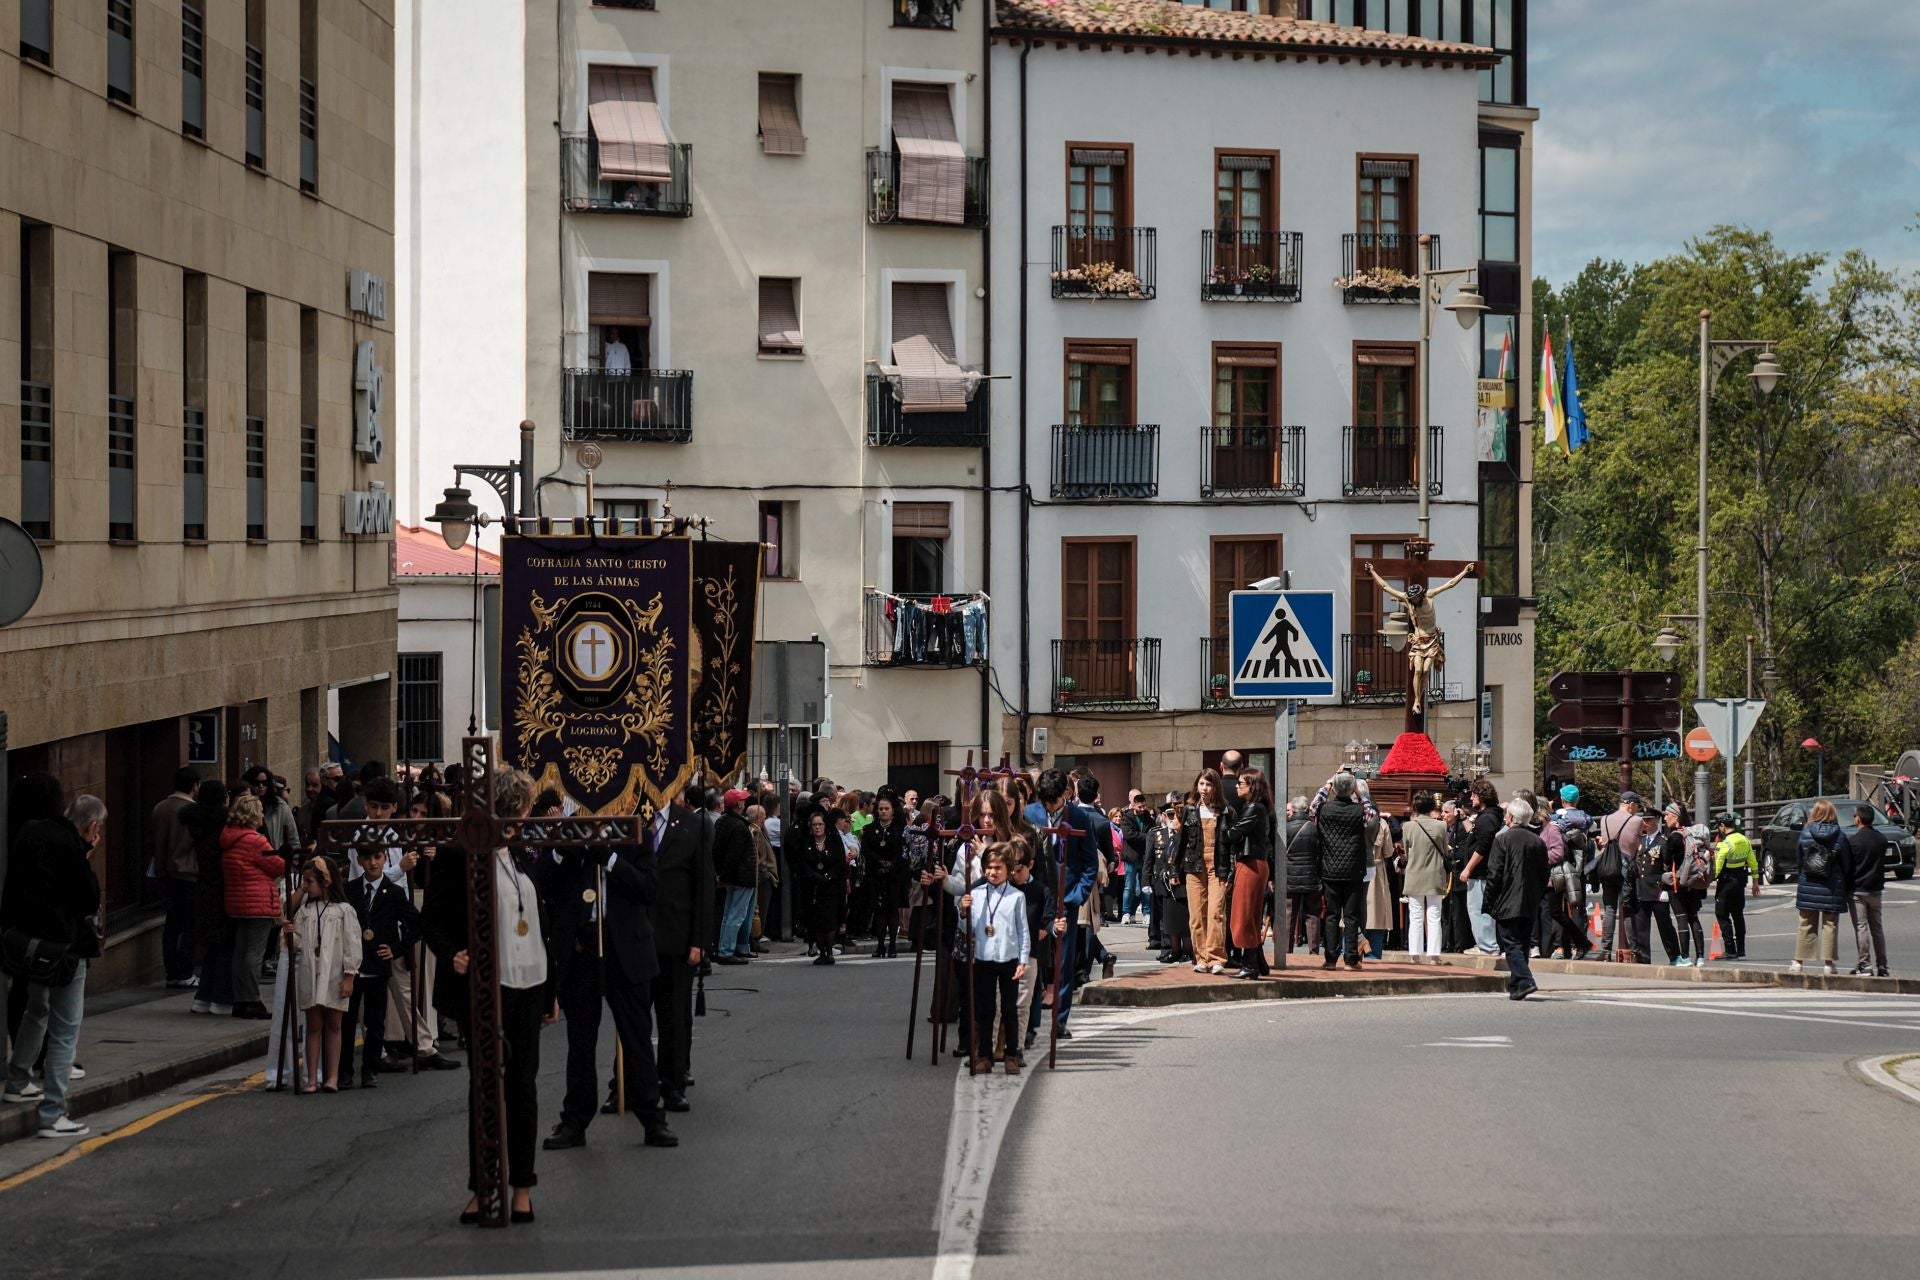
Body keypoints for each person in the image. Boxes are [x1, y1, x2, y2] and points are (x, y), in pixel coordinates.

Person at [421, 767, 552, 1224]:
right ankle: (482, 1187)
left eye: (523, 813)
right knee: (485, 1088)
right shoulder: (461, 853)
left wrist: (553, 989)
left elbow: (543, 920)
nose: (522, 820)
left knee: (523, 1088)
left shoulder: (529, 852)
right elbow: (432, 919)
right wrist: (452, 952)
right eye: (516, 812)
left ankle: (522, 1188)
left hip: (530, 981)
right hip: (484, 983)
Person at [543, 798, 674, 1152]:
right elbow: (546, 883)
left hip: (625, 951)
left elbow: (648, 889)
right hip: (582, 951)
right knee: (581, 1042)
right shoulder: (572, 835)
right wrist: (562, 848)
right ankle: (574, 1120)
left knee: (636, 1038)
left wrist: (610, 859)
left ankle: (651, 1117)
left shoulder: (637, 836)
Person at [2, 791, 105, 1139]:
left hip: (27, 944)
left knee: (36, 1008)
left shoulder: (31, 833)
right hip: (64, 948)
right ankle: (52, 1113)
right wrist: (88, 854)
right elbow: (89, 899)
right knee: (64, 1030)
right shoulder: (74, 850)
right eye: (97, 829)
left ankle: (17, 1079)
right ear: (91, 826)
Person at [648, 794, 713, 1114]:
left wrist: (699, 941)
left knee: (673, 1017)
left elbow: (704, 886)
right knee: (632, 1020)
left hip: (677, 938)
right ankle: (627, 1082)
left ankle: (672, 1083)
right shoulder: (631, 818)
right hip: (636, 938)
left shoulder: (690, 825)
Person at [1022, 769, 1098, 1040]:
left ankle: (1060, 1020)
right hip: (1037, 897)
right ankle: (1029, 1024)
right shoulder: (1030, 813)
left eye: (1051, 801)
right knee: (1032, 960)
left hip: (1066, 897)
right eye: (1043, 800)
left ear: (1065, 795)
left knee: (1063, 963)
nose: (1047, 806)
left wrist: (1078, 894)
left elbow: (1091, 861)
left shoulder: (1079, 817)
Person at [338, 845, 419, 1089]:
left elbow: (415, 923)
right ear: (359, 860)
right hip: (352, 963)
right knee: (347, 1020)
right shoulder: (349, 890)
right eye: (367, 858)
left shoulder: (393, 891)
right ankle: (344, 1071)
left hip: (378, 963)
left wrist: (396, 948)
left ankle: (370, 1070)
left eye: (377, 857)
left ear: (385, 859)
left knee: (376, 1021)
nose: (373, 863)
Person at [289, 856, 360, 1093]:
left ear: (326, 881)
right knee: (313, 1024)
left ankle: (331, 1076)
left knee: (334, 1023)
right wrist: (289, 934)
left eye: (309, 882)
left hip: (334, 974)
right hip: (312, 973)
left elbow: (352, 944)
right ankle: (311, 1078)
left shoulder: (343, 911)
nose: (306, 886)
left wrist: (349, 975)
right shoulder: (306, 911)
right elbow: (296, 942)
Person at [959, 845, 1031, 1075]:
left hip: (1008, 958)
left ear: (1008, 869)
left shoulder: (1016, 896)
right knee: (986, 1009)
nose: (993, 872)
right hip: (983, 958)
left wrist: (1023, 960)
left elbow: (1023, 931)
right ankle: (985, 1056)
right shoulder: (976, 895)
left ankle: (1011, 1054)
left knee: (1010, 1008)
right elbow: (967, 927)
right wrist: (963, 910)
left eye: (998, 868)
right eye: (989, 867)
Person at [220, 793, 285, 1020]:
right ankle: (252, 1000)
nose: (262, 817)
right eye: (259, 813)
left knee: (241, 952)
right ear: (252, 816)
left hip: (238, 900)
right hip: (258, 901)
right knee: (254, 954)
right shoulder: (255, 840)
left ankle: (240, 999)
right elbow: (278, 866)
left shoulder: (229, 838)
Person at [1486, 797, 1549, 999]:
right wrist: (1537, 894)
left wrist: (1489, 898)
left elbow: (1494, 873)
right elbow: (1544, 873)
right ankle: (1517, 985)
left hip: (1507, 898)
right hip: (1530, 899)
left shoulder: (1502, 839)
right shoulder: (1537, 841)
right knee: (1522, 943)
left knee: (1511, 943)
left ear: (1511, 817)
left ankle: (1525, 979)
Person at [1172, 769, 1232, 975]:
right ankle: (1201, 957)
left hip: (1218, 865)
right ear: (1196, 786)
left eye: (1208, 784)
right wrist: (1173, 868)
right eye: (1201, 784)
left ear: (1216, 787)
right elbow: (1180, 842)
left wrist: (1231, 871)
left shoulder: (1225, 811)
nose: (1204, 789)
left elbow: (1232, 844)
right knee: (1197, 915)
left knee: (1216, 912)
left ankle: (1216, 958)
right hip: (1193, 864)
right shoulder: (1189, 810)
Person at [185, 779, 234, 1015]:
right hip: (223, 888)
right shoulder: (225, 824)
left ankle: (203, 996)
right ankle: (221, 998)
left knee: (212, 946)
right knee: (225, 944)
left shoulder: (191, 821)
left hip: (201, 886)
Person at [150, 768, 201, 989]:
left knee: (172, 924)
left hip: (166, 873)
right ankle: (185, 971)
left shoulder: (160, 808)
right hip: (188, 873)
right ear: (195, 786)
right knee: (188, 925)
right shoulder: (192, 811)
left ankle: (171, 972)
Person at [1791, 799, 1853, 976]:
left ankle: (1798, 962)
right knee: (1830, 925)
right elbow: (1846, 863)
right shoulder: (1839, 835)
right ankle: (1828, 964)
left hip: (1808, 883)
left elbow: (1799, 859)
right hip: (1831, 886)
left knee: (1805, 924)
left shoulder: (1805, 833)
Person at [1226, 768, 1275, 979]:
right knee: (1251, 916)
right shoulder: (1259, 807)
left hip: (1250, 866)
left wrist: (1224, 822)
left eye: (1241, 783)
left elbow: (1232, 834)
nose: (1237, 786)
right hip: (1256, 864)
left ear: (1252, 786)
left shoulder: (1254, 808)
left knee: (1243, 916)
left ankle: (1250, 964)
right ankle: (1258, 962)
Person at [1317, 774, 1369, 970]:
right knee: (1351, 916)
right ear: (1352, 790)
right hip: (1353, 870)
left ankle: (1330, 959)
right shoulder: (1358, 810)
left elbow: (1313, 805)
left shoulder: (1324, 809)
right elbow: (1371, 813)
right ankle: (1351, 959)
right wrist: (1359, 793)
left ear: (1335, 790)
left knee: (1331, 915)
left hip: (1329, 868)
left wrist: (1328, 783)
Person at [1591, 791, 1643, 960]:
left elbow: (1602, 844)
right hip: (1625, 869)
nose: (1636, 810)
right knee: (1627, 909)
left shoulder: (1604, 819)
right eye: (1636, 806)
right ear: (1631, 804)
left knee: (1609, 909)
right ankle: (1634, 951)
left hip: (1607, 867)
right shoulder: (1636, 821)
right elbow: (1636, 846)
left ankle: (1605, 951)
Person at [1400, 792, 1449, 961]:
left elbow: (1406, 852)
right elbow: (1445, 850)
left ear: (1415, 807)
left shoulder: (1408, 827)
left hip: (1414, 874)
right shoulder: (1441, 826)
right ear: (1431, 807)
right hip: (1435, 874)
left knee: (1415, 915)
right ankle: (1434, 955)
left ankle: (1415, 954)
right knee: (1434, 915)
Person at [711, 789, 758, 965]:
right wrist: (725, 876)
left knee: (729, 913)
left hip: (733, 876)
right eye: (742, 801)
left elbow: (718, 850)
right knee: (736, 914)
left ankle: (729, 947)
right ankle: (727, 950)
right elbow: (734, 855)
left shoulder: (723, 821)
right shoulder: (739, 826)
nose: (744, 803)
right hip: (741, 876)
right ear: (738, 804)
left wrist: (722, 875)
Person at [860, 795, 908, 958]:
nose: (883, 811)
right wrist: (879, 863)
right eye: (880, 809)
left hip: (894, 875)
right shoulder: (870, 828)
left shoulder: (899, 829)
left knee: (892, 911)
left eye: (886, 808)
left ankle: (892, 946)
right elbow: (866, 850)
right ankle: (880, 946)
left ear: (893, 810)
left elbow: (902, 851)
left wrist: (891, 865)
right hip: (875, 874)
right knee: (879, 911)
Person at [1456, 779, 1501, 955]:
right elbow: (1475, 834)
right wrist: (1465, 819)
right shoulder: (1489, 816)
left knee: (1478, 909)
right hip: (1480, 872)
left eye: (1474, 795)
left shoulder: (1488, 818)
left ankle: (1487, 946)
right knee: (1477, 909)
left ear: (1482, 797)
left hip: (1481, 872)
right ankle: (1483, 943)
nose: (1471, 798)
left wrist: (1468, 868)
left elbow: (1483, 845)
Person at [1845, 805, 1890, 977]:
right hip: (1876, 888)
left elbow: (1848, 867)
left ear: (1858, 819)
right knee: (1877, 928)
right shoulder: (1881, 839)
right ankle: (1883, 966)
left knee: (1861, 927)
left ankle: (1865, 964)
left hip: (1858, 889)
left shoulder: (1854, 841)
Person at [797, 812, 844, 966]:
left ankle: (829, 951)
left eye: (820, 824)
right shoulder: (807, 842)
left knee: (829, 920)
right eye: (814, 825)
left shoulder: (833, 842)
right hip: (813, 888)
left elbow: (839, 862)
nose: (817, 827)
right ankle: (821, 951)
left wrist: (828, 876)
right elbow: (803, 863)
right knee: (816, 920)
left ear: (825, 826)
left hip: (831, 887)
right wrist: (815, 876)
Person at [1711, 813, 1759, 962]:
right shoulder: (1744, 840)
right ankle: (1741, 949)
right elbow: (1753, 862)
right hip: (1740, 882)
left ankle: (1730, 950)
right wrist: (1755, 883)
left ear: (1722, 826)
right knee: (1738, 915)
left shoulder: (1724, 844)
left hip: (1726, 883)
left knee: (1722, 914)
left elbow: (1717, 867)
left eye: (1718, 827)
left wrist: (1709, 879)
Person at [1282, 801, 1322, 958]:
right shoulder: (1315, 828)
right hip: (1311, 876)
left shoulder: (1285, 828)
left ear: (1294, 811)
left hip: (1290, 877)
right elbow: (1320, 853)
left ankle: (1286, 950)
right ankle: (1314, 952)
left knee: (1288, 914)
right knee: (1312, 914)